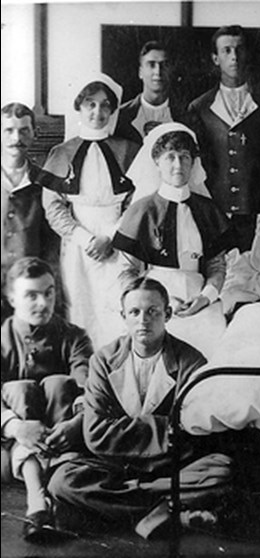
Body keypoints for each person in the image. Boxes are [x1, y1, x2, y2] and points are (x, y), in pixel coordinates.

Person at [48, 277, 232, 539]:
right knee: (63, 481)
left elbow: (193, 434)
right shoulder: (103, 361)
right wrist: (166, 427)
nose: (143, 320)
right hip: (116, 464)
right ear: (124, 316)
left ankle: (119, 508)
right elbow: (96, 433)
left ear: (167, 314)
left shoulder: (191, 361)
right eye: (134, 312)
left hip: (171, 466)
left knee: (222, 470)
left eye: (152, 311)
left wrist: (131, 430)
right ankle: (163, 513)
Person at [114, 123, 237, 357]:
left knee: (214, 350)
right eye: (170, 157)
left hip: (199, 298)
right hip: (151, 300)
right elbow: (127, 271)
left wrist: (204, 298)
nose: (178, 165)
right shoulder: (142, 210)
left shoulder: (209, 211)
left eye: (185, 157)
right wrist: (152, 301)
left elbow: (216, 267)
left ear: (193, 163)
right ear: (157, 164)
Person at [41, 74, 139, 348]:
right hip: (77, 246)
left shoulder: (129, 150)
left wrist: (111, 235)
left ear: (112, 110)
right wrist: (86, 239)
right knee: (81, 311)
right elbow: (53, 206)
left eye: (105, 105)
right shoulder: (61, 153)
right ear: (79, 107)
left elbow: (137, 200)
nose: (97, 112)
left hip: (119, 241)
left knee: (118, 309)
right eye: (90, 104)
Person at [1, 257, 92, 541]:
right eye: (31, 295)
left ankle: (40, 507)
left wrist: (75, 423)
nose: (43, 303)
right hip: (12, 443)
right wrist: (16, 427)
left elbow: (87, 387)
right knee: (20, 389)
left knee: (60, 384)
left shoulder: (74, 336)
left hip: (62, 436)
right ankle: (39, 498)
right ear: (12, 298)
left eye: (49, 292)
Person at [186, 25, 260, 251]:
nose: (234, 57)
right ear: (215, 58)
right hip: (215, 213)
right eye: (226, 50)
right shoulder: (199, 107)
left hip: (257, 212)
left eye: (239, 49)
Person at [1, 102, 58, 321]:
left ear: (35, 133)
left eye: (24, 130)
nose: (17, 138)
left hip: (30, 289)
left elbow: (51, 246)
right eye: (9, 130)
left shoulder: (45, 182)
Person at [115, 41, 180, 145]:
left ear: (171, 71)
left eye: (164, 65)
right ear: (140, 72)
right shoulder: (121, 116)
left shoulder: (186, 116)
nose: (158, 72)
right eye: (151, 64)